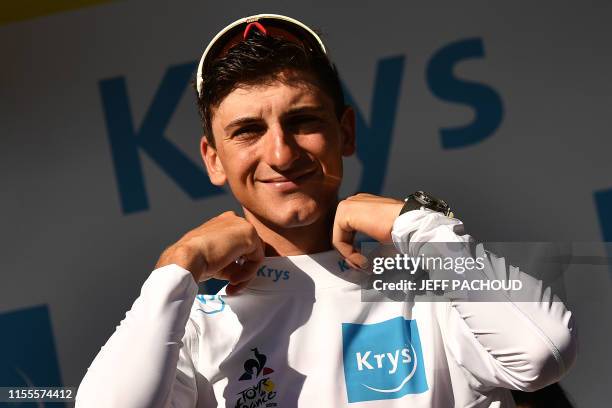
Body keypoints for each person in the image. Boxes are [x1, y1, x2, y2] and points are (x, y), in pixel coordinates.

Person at [75, 14, 577, 407]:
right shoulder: (193, 328)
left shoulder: (433, 294)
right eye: (248, 130)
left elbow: (542, 352)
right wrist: (179, 265)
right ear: (213, 159)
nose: (281, 154)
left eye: (303, 120)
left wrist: (419, 222)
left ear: (347, 133)